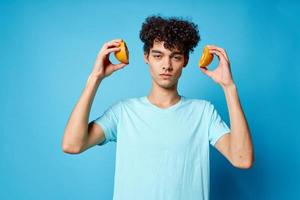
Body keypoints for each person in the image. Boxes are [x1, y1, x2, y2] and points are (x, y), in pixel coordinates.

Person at [62, 15, 254, 200]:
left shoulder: (203, 112)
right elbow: (72, 144)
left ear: (185, 60)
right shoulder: (123, 112)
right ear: (146, 57)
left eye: (175, 57)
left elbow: (242, 159)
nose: (166, 65)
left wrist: (229, 88)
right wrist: (94, 79)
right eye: (158, 55)